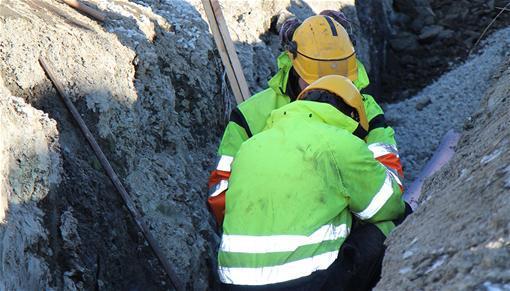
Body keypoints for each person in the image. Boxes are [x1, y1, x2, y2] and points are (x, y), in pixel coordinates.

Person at [208, 12, 403, 229]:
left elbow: (390, 185)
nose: (327, 91)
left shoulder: (366, 109)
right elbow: (221, 195)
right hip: (271, 229)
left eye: (339, 82)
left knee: (393, 225)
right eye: (315, 81)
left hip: (336, 231)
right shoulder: (250, 116)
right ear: (293, 65)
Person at [217, 75, 407, 290]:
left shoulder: (250, 146)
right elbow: (388, 206)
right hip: (307, 284)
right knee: (395, 221)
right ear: (352, 115)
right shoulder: (341, 143)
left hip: (234, 285)